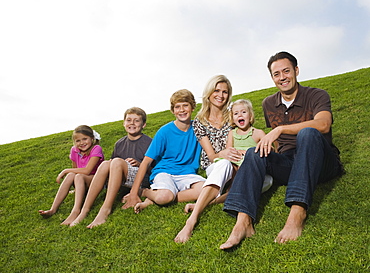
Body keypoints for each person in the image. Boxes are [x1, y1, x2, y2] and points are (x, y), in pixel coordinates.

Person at [220, 51, 343, 249]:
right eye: (276, 74)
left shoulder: (317, 95)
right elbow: (277, 144)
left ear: (296, 70)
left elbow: (324, 124)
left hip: (321, 162)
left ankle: (297, 214)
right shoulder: (269, 103)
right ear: (272, 78)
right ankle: (243, 222)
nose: (282, 77)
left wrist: (281, 128)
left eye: (286, 71)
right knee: (254, 152)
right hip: (291, 164)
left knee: (308, 133)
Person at [174, 98, 272, 243]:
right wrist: (232, 157)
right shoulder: (226, 131)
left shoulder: (257, 133)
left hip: (249, 167)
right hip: (229, 164)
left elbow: (269, 149)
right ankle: (192, 220)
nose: (240, 115)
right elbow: (226, 151)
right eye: (236, 113)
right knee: (227, 166)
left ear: (250, 116)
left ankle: (210, 202)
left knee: (268, 181)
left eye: (244, 112)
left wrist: (251, 153)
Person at [122, 89, 206, 211]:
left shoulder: (198, 129)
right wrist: (134, 193)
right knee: (164, 197)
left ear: (192, 107)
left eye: (185, 105)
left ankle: (155, 198)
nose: (181, 110)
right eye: (177, 107)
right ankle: (145, 192)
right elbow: (146, 162)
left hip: (187, 174)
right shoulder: (164, 131)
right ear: (173, 111)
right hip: (165, 172)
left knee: (206, 190)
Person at [68, 107, 152, 228]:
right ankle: (84, 210)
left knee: (117, 161)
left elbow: (156, 169)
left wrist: (139, 164)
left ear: (143, 124)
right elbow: (112, 167)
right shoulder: (119, 143)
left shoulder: (149, 143)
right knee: (106, 163)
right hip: (123, 179)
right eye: (129, 120)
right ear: (124, 123)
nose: (132, 123)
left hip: (141, 179)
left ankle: (105, 210)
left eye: (136, 121)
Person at [39, 125, 104, 225]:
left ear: (92, 138)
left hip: (96, 180)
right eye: (78, 141)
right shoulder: (74, 150)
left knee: (78, 175)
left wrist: (65, 170)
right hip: (81, 181)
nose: (81, 143)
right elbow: (75, 169)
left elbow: (87, 170)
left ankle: (76, 211)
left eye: (85, 139)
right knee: (71, 175)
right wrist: (72, 180)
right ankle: (53, 209)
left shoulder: (96, 148)